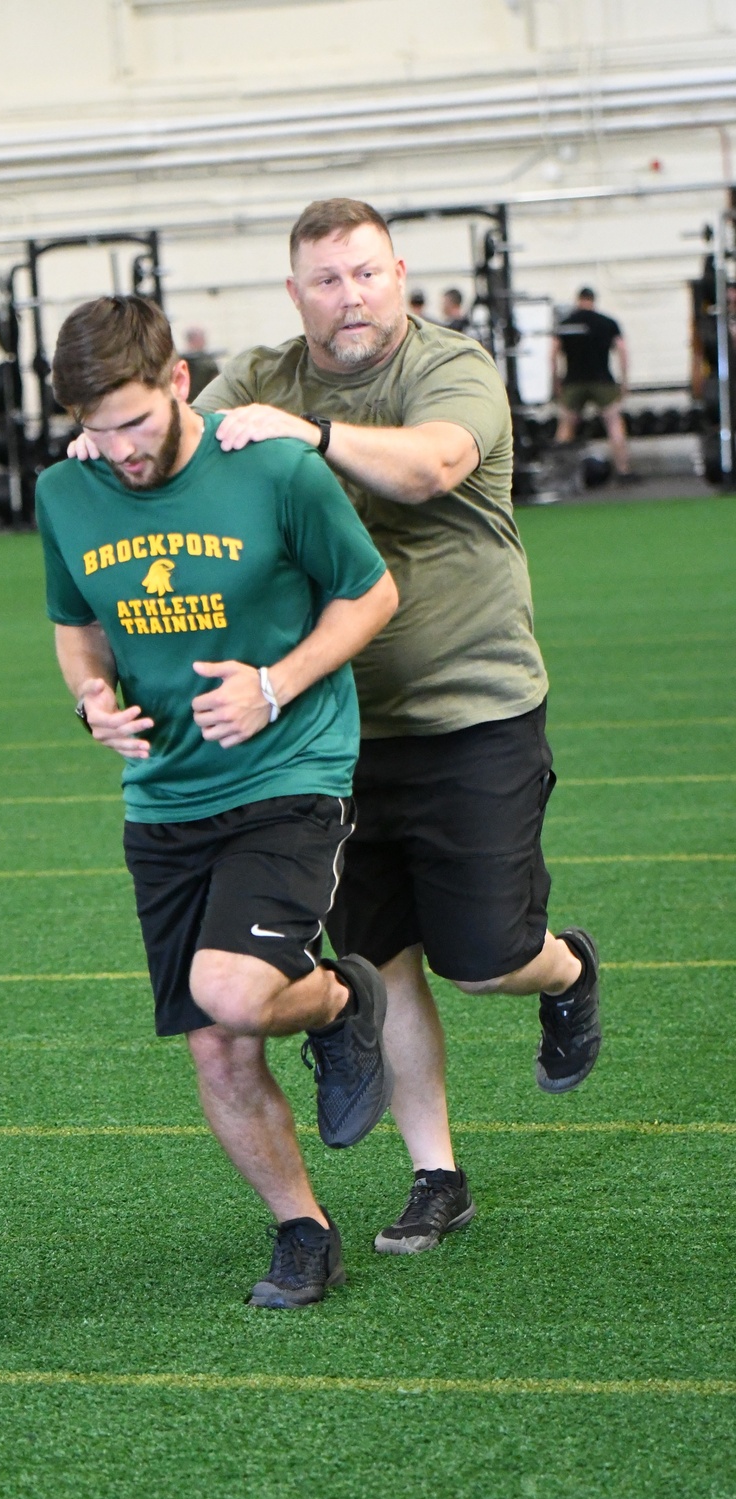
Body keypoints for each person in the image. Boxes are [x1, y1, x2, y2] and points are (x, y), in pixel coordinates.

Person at [195, 198, 602, 1259]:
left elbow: (428, 465)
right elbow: (180, 447)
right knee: (383, 960)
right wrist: (111, 431)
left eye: (366, 273)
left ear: (400, 275)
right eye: (326, 280)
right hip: (332, 733)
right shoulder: (259, 371)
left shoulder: (449, 367)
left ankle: (567, 971)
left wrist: (312, 434)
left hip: (474, 710)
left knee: (483, 958)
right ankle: (436, 1174)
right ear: (296, 295)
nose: (350, 296)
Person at [37, 294, 398, 1307]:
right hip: (162, 796)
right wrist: (90, 700)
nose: (116, 451)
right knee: (215, 1042)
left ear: (179, 382)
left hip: (287, 769)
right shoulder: (66, 490)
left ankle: (338, 995)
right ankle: (302, 1226)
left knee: (233, 991)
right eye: (94, 429)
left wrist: (276, 682)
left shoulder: (273, 467)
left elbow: (369, 593)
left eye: (134, 422)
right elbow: (77, 623)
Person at [553, 288, 634, 481]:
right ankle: (623, 471)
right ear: (593, 301)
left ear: (578, 300)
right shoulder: (607, 323)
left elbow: (551, 354)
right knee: (614, 424)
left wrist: (556, 381)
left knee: (566, 427)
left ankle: (560, 475)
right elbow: (622, 351)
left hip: (573, 381)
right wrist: (624, 380)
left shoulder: (565, 325)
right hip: (602, 380)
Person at [179, 326, 220, 400]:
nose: (203, 341)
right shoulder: (183, 361)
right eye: (200, 339)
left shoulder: (208, 361)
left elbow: (216, 382)